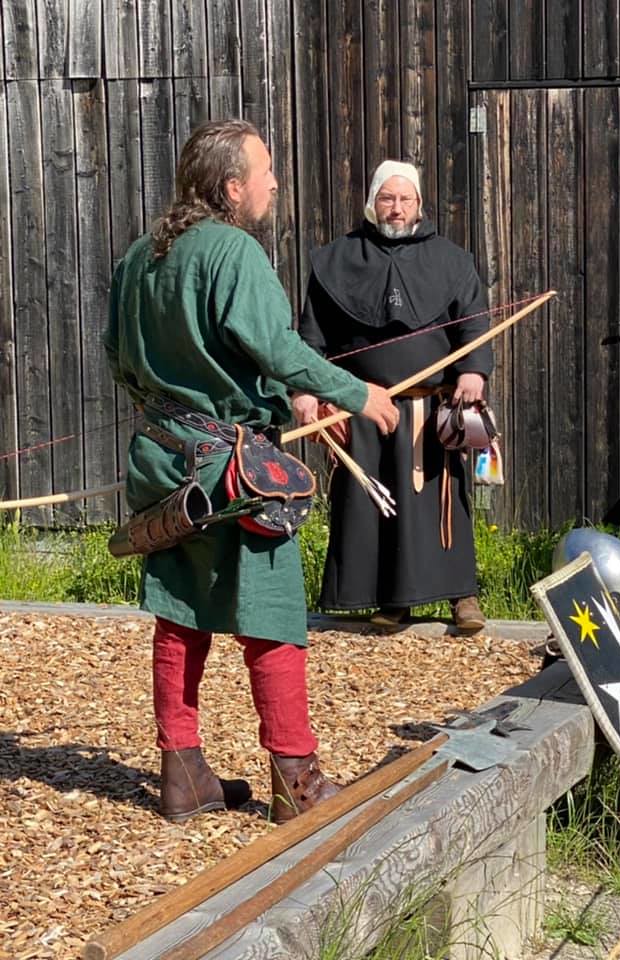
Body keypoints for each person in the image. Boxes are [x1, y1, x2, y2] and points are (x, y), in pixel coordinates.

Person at [104, 120, 399, 823]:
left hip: (162, 458)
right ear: (232, 187)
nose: (273, 182)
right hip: (234, 473)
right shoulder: (233, 251)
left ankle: (183, 775)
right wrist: (360, 395)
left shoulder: (139, 256)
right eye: (265, 170)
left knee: (180, 610)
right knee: (271, 614)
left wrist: (182, 410)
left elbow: (118, 357)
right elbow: (277, 347)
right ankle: (297, 781)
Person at [294, 160, 493, 631]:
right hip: (361, 406)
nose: (396, 208)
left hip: (431, 407)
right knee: (375, 504)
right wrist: (304, 388)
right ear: (372, 202)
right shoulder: (338, 258)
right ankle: (391, 601)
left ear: (419, 204)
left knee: (443, 502)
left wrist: (474, 372)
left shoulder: (451, 260)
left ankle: (460, 598)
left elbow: (475, 325)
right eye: (388, 198)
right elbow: (311, 335)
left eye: (405, 199)